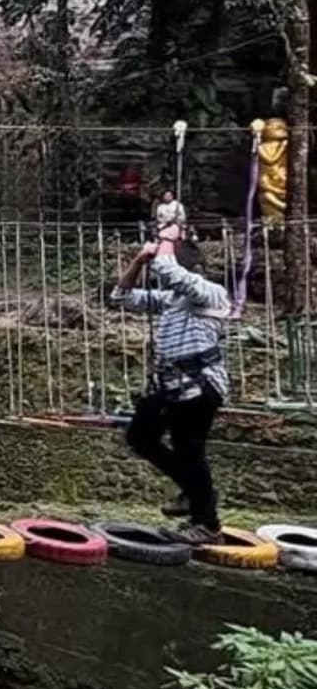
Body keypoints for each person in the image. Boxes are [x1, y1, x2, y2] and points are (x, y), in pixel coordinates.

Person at [111, 223, 229, 541]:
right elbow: (121, 296)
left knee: (190, 450)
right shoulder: (170, 299)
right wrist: (138, 261)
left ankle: (208, 524)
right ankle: (193, 490)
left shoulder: (211, 294)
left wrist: (166, 240)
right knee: (140, 436)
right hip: (171, 386)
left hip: (201, 386)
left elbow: (170, 270)